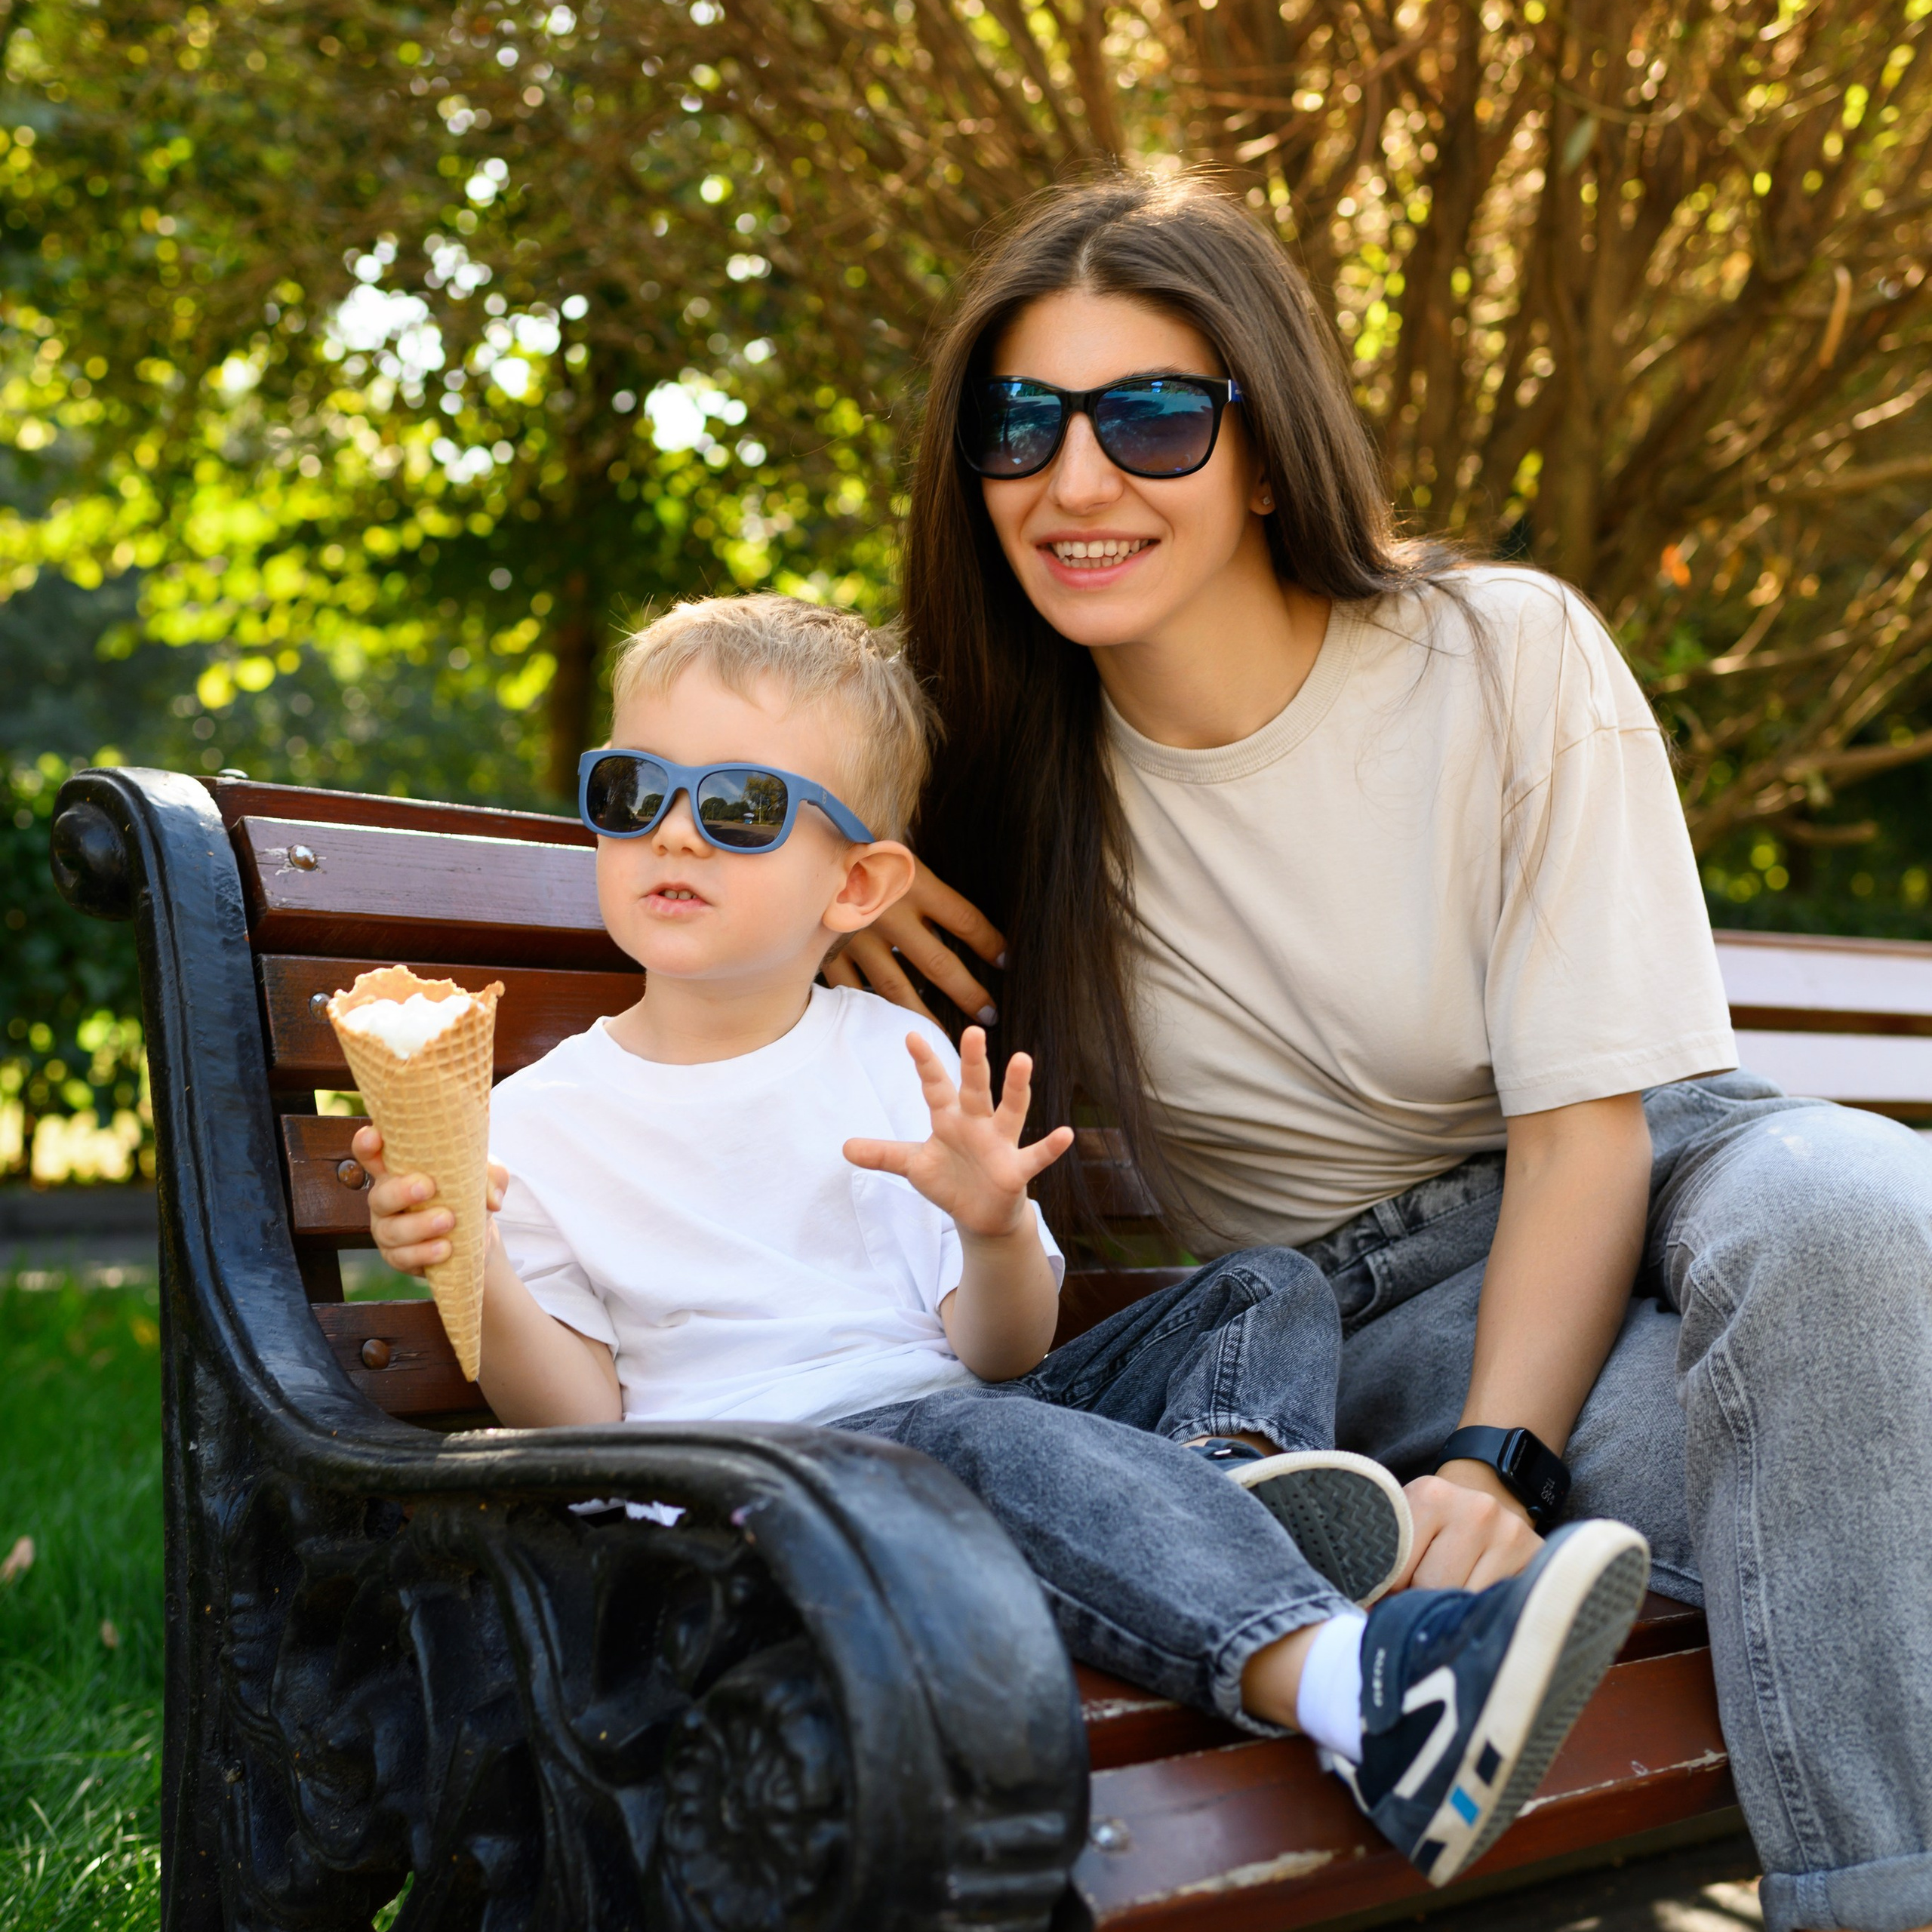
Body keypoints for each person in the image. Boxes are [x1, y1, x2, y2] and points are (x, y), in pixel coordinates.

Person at [823, 174, 1932, 1932]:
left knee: (1867, 1206)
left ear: (1267, 450)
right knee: (1842, 1456)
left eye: (1155, 416)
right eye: (1018, 421)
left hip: (1649, 1159)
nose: (1077, 477)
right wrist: (818, 853)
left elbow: (1588, 1133)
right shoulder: (983, 765)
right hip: (1375, 1306)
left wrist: (1499, 1463)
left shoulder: (1496, 653)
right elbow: (695, 772)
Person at [353, 591, 1651, 1887]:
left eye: (740, 807)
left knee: (1263, 1289)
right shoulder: (532, 1124)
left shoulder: (896, 1059)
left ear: (857, 883)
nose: (673, 832)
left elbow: (1001, 1347)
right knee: (972, 1439)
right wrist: (473, 1262)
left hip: (956, 1421)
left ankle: (1222, 1479)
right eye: (632, 789)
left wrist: (986, 1226)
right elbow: (580, 1419)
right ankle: (1370, 1701)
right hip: (751, 1507)